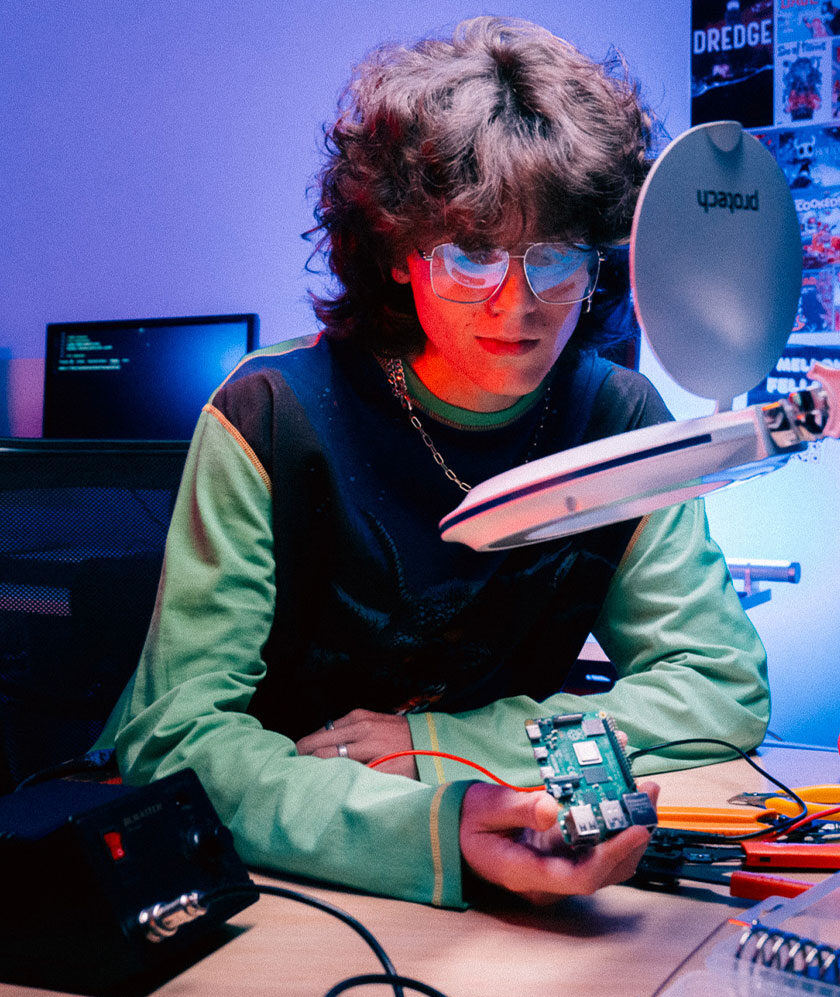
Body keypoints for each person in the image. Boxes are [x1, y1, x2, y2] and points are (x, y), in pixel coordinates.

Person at [98, 17, 769, 908]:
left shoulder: (618, 421)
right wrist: (434, 828)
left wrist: (441, 747)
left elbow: (716, 685)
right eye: (471, 254)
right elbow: (173, 739)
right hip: (265, 871)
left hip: (508, 861)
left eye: (556, 255)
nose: (519, 303)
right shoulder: (270, 415)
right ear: (398, 255)